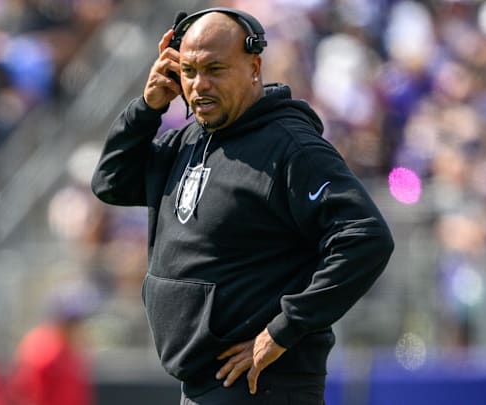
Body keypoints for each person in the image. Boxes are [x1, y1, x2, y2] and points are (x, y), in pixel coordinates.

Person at [91, 7, 394, 405]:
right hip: (204, 385)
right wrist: (147, 109)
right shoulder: (187, 141)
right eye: (189, 71)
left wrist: (284, 329)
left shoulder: (291, 148)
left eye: (215, 69)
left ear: (254, 67)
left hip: (263, 385)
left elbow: (365, 238)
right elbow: (111, 183)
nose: (199, 85)